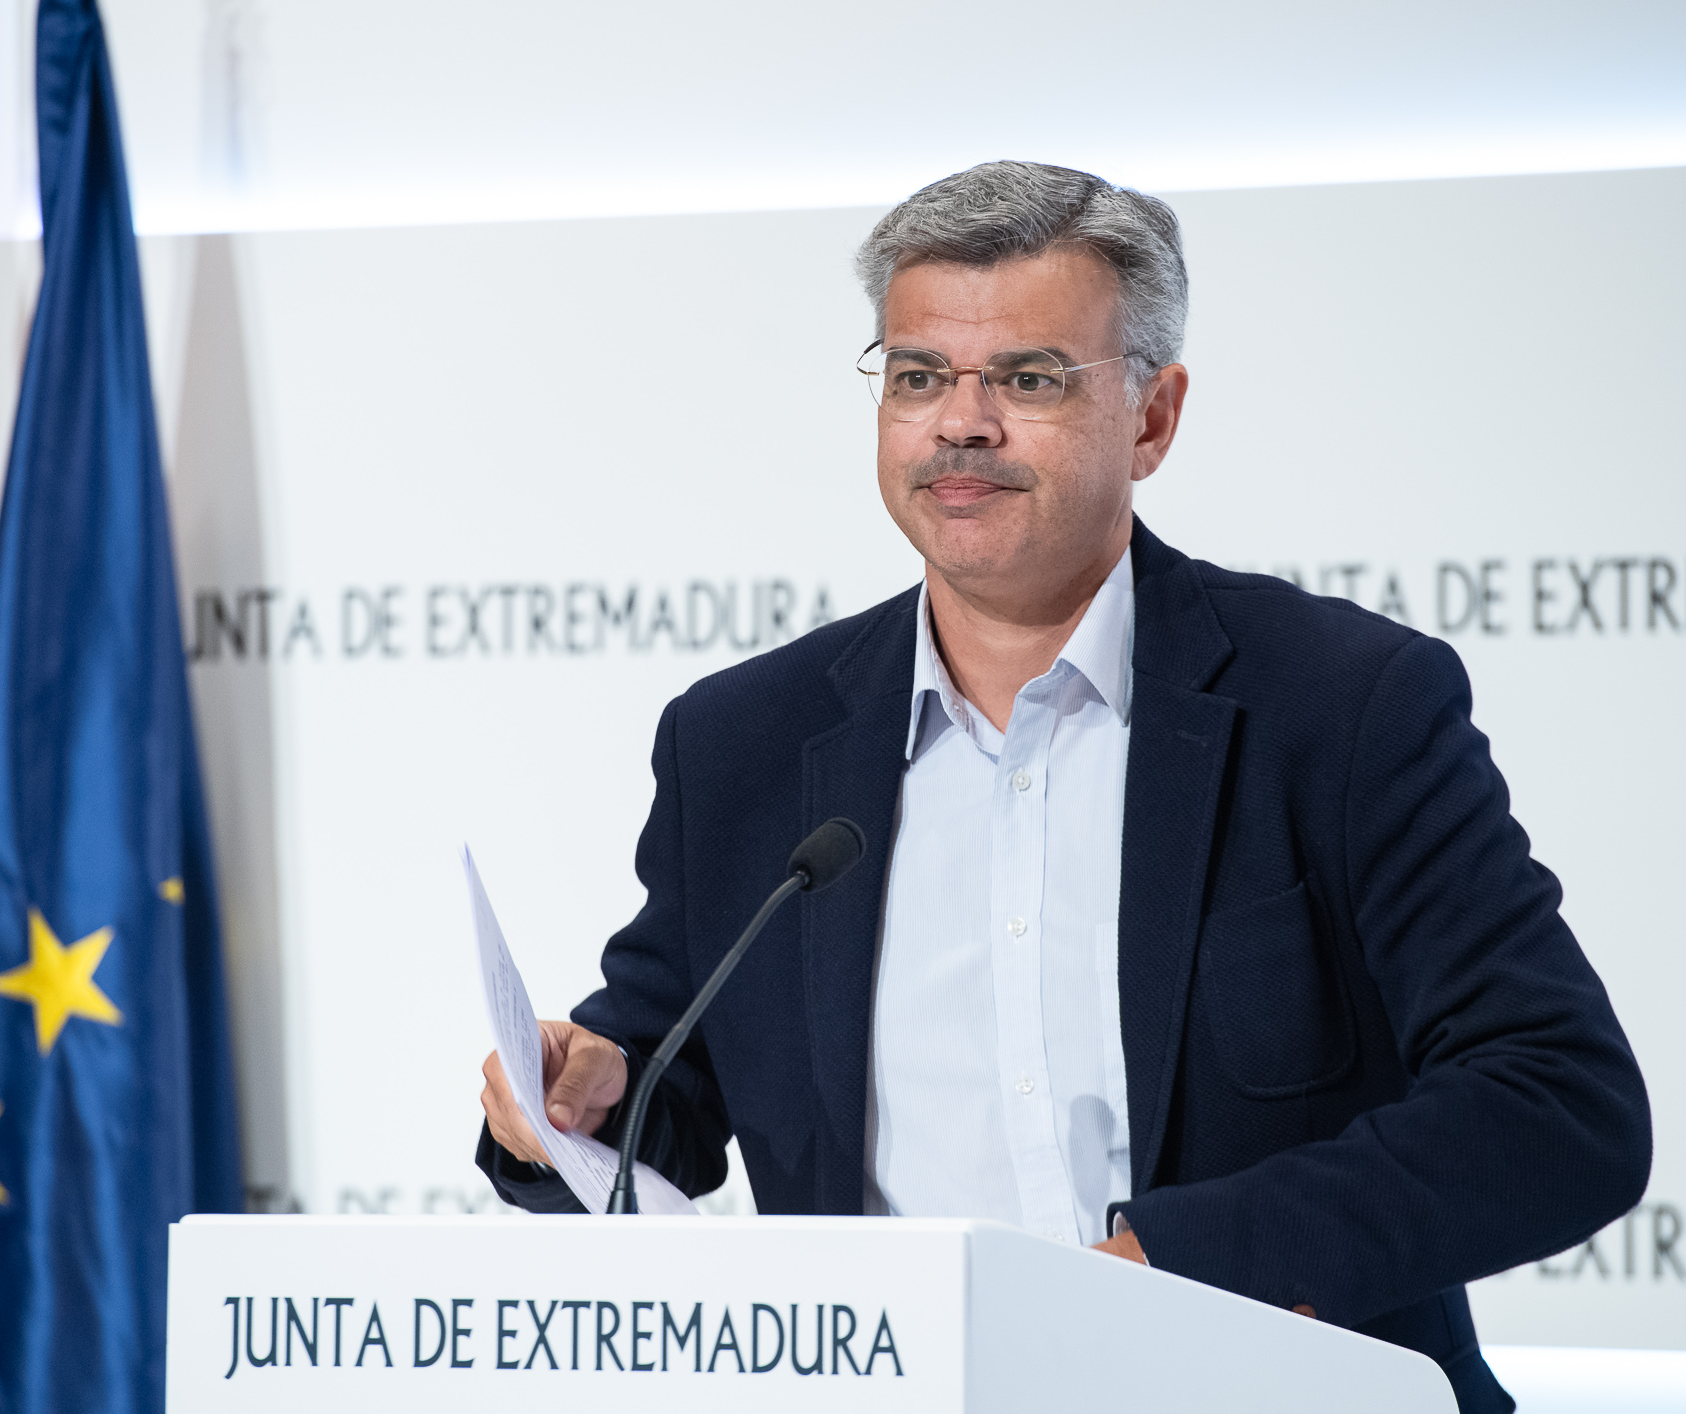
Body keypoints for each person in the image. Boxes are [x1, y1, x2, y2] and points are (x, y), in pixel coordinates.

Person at [474, 160, 1649, 1412]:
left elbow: (1557, 1105)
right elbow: (667, 1083)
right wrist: (574, 1102)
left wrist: (1166, 1269)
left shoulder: (1345, 707)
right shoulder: (745, 745)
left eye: (1029, 378)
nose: (960, 423)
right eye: (919, 375)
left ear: (1153, 417)